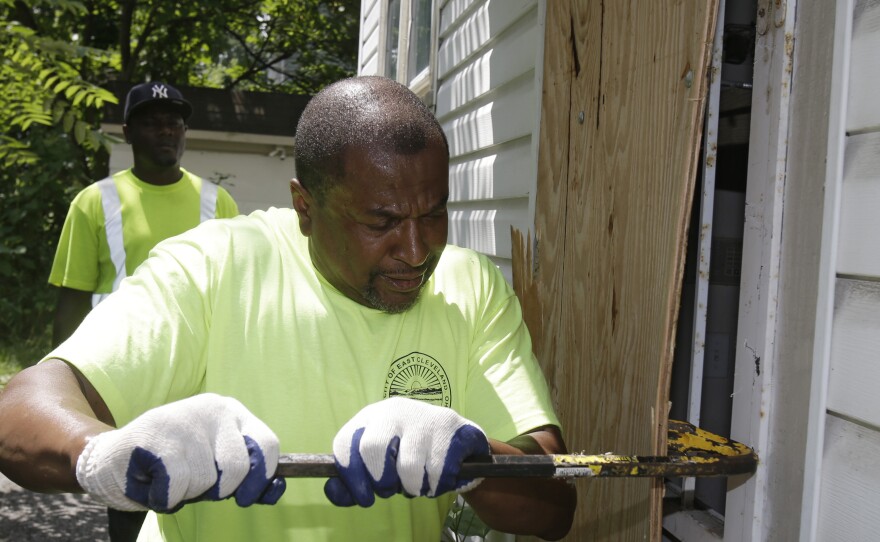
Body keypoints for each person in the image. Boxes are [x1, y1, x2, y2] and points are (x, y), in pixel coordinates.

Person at [0, 76, 576, 541]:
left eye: (433, 214)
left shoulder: (469, 287)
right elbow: (21, 408)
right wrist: (104, 455)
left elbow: (555, 507)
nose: (417, 249)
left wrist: (474, 457)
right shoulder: (215, 265)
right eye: (381, 222)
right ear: (305, 207)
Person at [46, 81, 240, 540]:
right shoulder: (95, 202)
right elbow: (71, 301)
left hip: (200, 379)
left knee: (205, 501)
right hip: (126, 379)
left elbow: (238, 297)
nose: (166, 131)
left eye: (174, 122)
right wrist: (66, 391)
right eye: (152, 123)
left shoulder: (219, 204)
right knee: (134, 500)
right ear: (129, 132)